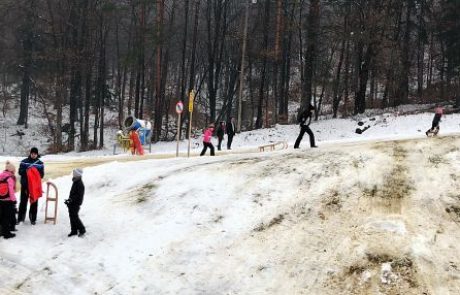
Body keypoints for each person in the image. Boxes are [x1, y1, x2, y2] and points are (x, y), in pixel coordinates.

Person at [17, 147, 44, 225]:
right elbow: (20, 172)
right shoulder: (24, 162)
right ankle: (20, 219)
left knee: (34, 202)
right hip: (25, 185)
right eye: (32, 153)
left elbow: (41, 175)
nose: (33, 155)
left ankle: (33, 219)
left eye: (35, 154)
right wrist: (28, 172)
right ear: (30, 153)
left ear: (37, 154)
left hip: (34, 187)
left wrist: (34, 173)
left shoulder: (40, 163)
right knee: (23, 202)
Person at [65, 168, 86, 237]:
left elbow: (78, 195)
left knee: (74, 217)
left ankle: (82, 229)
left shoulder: (80, 184)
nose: (73, 174)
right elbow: (73, 193)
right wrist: (69, 200)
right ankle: (74, 230)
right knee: (72, 216)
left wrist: (71, 200)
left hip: (76, 203)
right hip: (72, 203)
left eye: (74, 173)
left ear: (78, 175)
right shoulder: (75, 181)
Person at [0, 161, 17, 239]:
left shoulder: (0, 175)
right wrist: (14, 200)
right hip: (7, 201)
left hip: (0, 200)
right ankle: (7, 234)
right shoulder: (10, 178)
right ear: (11, 170)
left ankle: (1, 231)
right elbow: (11, 191)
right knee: (7, 217)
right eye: (13, 170)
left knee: (1, 216)